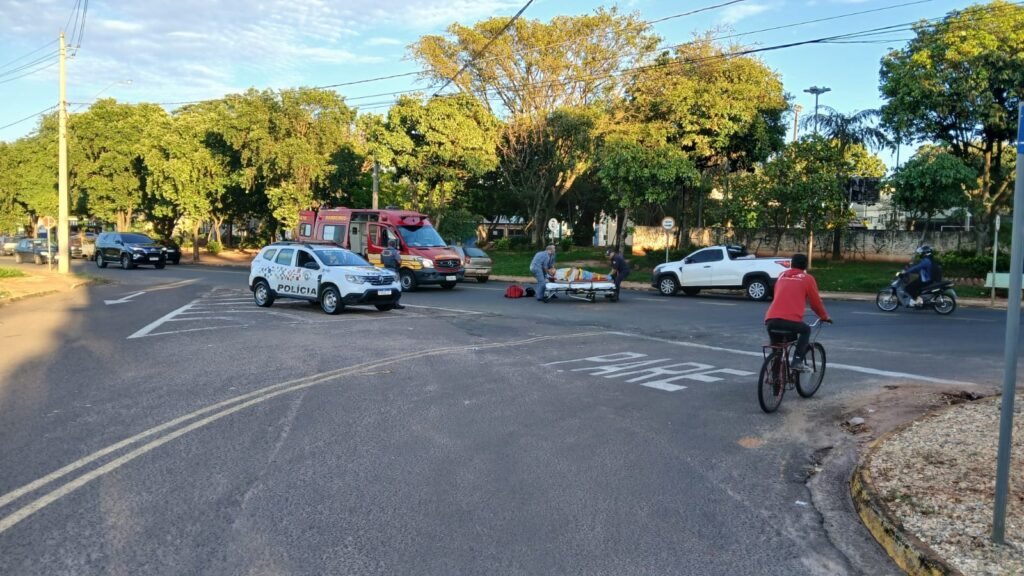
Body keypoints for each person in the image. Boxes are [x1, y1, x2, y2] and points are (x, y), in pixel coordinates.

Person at [764, 253, 832, 373]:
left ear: (791, 264)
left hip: (771, 320)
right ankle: (797, 361)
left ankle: (775, 380)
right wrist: (824, 316)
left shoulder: (781, 275)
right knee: (806, 330)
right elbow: (815, 303)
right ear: (805, 265)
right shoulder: (807, 279)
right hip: (790, 322)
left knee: (777, 352)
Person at [380, 238, 405, 309]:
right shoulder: (395, 252)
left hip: (385, 271)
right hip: (394, 271)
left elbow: (381, 261)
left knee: (387, 287)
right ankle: (396, 304)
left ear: (388, 244)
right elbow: (399, 261)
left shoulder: (383, 251)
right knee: (396, 287)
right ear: (394, 245)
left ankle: (387, 302)